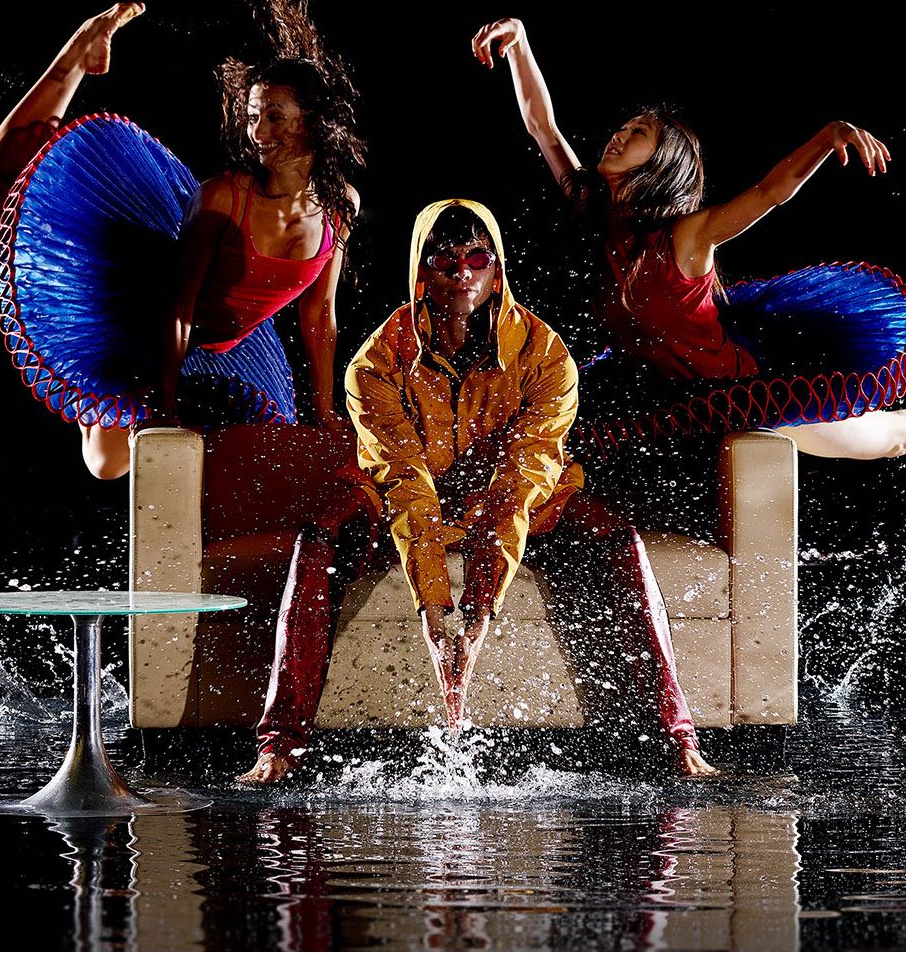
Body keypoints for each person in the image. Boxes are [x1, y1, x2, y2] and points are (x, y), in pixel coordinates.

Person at [237, 200, 717, 784]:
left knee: (618, 539)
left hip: (518, 502)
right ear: (421, 271)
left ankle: (676, 739)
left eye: (476, 258)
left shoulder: (546, 355)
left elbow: (519, 483)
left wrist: (481, 605)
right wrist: (435, 607)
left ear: (497, 271)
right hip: (401, 499)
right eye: (443, 259)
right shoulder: (375, 363)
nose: (460, 272)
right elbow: (404, 480)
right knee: (317, 539)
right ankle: (280, 745)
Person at [470, 18, 906, 460]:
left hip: (743, 388)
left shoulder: (687, 235)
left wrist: (825, 137)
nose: (618, 135)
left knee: (900, 434)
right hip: (654, 384)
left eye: (639, 131)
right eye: (623, 126)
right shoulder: (591, 210)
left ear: (665, 161)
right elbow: (543, 128)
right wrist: (521, 44)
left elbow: (768, 193)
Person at [0, 0, 362, 479]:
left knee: (106, 463)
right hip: (139, 303)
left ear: (314, 123)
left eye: (275, 118)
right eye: (253, 116)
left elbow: (320, 313)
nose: (257, 133)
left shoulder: (341, 205)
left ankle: (107, 402)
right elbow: (178, 306)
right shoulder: (224, 198)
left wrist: (323, 412)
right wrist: (163, 406)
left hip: (225, 343)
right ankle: (77, 54)